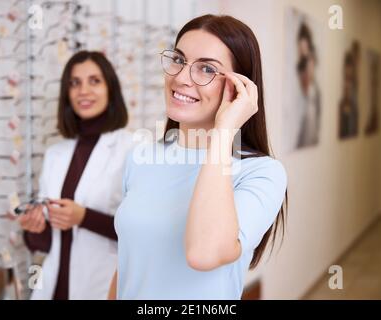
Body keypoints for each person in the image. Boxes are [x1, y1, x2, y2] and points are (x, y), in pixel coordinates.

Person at [109, 15, 287, 300]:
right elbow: (128, 262)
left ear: (239, 88)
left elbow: (204, 253)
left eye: (206, 69)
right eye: (178, 60)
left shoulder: (261, 172)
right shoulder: (141, 157)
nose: (180, 78)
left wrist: (225, 130)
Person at [18, 51, 133, 299]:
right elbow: (47, 244)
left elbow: (139, 232)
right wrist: (34, 228)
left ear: (111, 89)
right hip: (53, 288)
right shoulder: (55, 154)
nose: (83, 90)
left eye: (94, 81)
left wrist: (83, 217)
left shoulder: (133, 150)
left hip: (103, 286)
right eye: (74, 83)